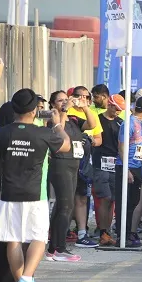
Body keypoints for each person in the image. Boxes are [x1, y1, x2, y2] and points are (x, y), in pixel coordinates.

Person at [0, 88, 71, 282]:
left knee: (13, 239)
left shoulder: (0, 134)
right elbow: (67, 145)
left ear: (14, 109)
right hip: (35, 195)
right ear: (34, 110)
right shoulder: (43, 134)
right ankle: (27, 279)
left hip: (9, 194)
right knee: (39, 238)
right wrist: (58, 123)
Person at [45, 90, 95, 262]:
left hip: (74, 165)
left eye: (66, 100)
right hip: (60, 163)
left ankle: (52, 248)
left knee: (63, 206)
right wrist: (64, 110)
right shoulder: (53, 119)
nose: (65, 103)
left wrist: (85, 107)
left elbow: (92, 124)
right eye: (60, 101)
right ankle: (59, 248)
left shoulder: (74, 120)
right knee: (66, 206)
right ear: (53, 104)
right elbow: (60, 130)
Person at [118, 95, 142, 247]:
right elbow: (121, 147)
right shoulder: (129, 123)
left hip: (138, 166)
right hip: (127, 167)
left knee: (134, 202)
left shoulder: (140, 123)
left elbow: (138, 146)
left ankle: (129, 234)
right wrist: (127, 169)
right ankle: (122, 236)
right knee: (124, 203)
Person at [90, 89, 123, 246]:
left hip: (115, 164)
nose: (117, 112)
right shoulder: (96, 120)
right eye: (115, 108)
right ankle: (102, 231)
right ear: (109, 105)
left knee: (112, 200)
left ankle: (107, 232)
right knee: (105, 198)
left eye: (120, 110)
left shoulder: (120, 123)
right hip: (100, 164)